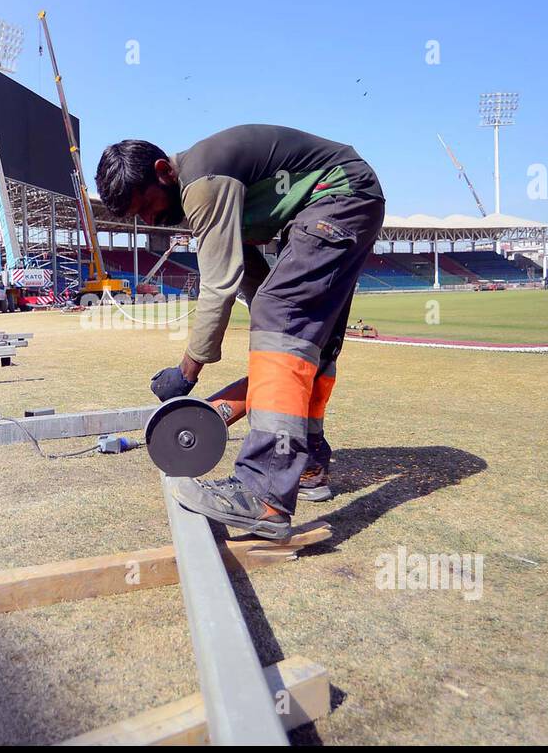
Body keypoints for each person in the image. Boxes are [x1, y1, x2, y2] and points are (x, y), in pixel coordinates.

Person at [96, 125, 386, 541]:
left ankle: (263, 491)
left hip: (336, 197)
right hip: (349, 198)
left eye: (146, 206)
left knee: (281, 318)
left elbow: (218, 285)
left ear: (163, 171)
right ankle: (308, 465)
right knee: (309, 344)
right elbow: (248, 271)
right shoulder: (207, 187)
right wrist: (278, 312)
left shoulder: (201, 185)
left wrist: (187, 373)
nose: (149, 220)